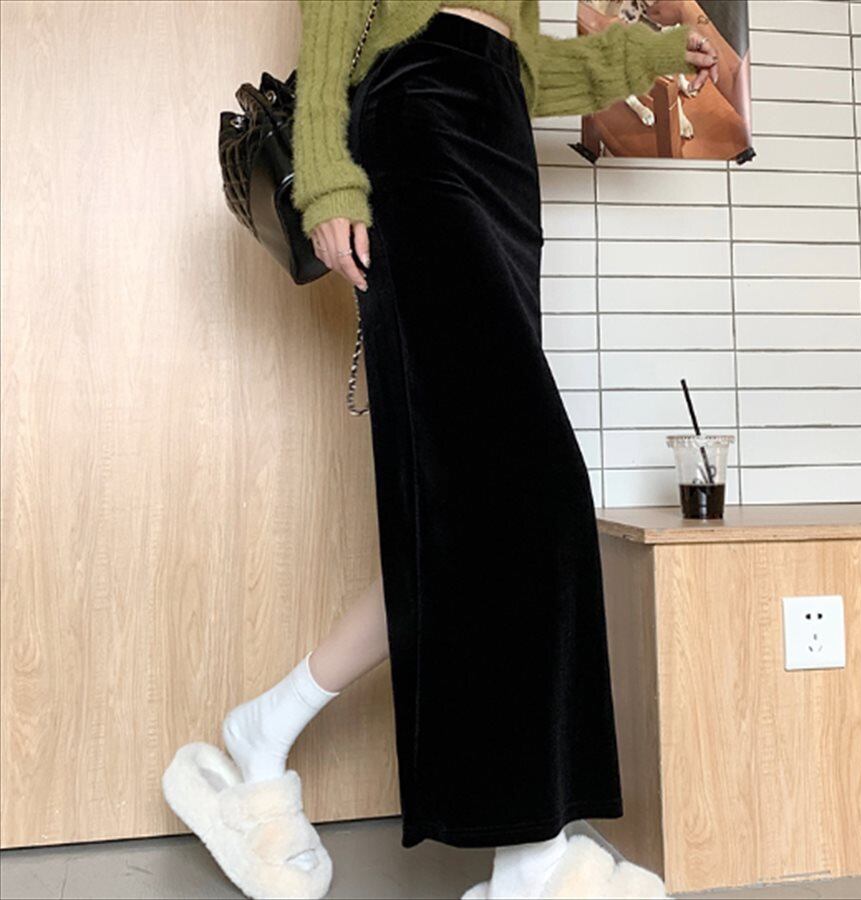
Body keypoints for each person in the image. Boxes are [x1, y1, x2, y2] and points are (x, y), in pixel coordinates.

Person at [222, 3, 718, 897]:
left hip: (497, 136)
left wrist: (642, 54)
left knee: (470, 520)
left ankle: (268, 724)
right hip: (417, 119)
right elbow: (338, 18)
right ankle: (529, 861)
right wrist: (328, 181)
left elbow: (522, 61)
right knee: (529, 494)